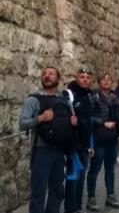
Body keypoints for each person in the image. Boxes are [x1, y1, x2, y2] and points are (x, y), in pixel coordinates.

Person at [19, 66, 78, 213]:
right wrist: (41, 118)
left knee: (57, 191)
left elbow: (71, 121)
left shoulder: (64, 100)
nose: (47, 76)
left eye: (51, 74)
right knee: (38, 193)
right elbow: (23, 124)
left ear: (58, 79)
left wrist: (73, 121)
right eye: (44, 74)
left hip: (60, 151)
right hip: (41, 151)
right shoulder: (33, 99)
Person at [86, 73, 119, 211]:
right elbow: (89, 117)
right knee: (94, 170)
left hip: (112, 139)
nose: (106, 81)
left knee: (110, 170)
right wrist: (103, 123)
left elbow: (116, 117)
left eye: (109, 79)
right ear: (99, 81)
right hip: (99, 139)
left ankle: (110, 196)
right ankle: (91, 198)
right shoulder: (93, 96)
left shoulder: (114, 97)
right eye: (103, 79)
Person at [63, 67, 94, 213]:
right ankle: (70, 208)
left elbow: (89, 122)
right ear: (76, 78)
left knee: (81, 177)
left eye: (88, 77)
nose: (85, 79)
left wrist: (90, 144)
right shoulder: (68, 94)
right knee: (73, 177)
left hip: (85, 144)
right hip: (73, 144)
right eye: (82, 77)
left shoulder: (89, 95)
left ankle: (77, 206)